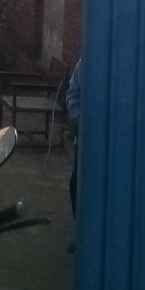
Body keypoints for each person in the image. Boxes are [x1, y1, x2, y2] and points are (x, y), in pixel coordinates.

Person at [65, 57, 82, 221]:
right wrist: (78, 120)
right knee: (77, 184)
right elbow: (73, 93)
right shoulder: (87, 62)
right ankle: (81, 227)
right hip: (87, 141)